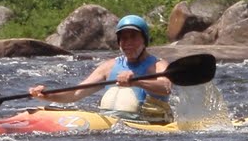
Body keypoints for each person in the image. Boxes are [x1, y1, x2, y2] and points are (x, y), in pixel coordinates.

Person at [29, 14, 173, 122]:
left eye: (133, 37)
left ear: (144, 40)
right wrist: (47, 95)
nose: (128, 42)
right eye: (123, 38)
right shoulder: (109, 66)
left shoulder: (157, 65)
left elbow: (166, 87)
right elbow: (76, 93)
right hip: (114, 124)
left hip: (149, 126)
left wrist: (136, 81)